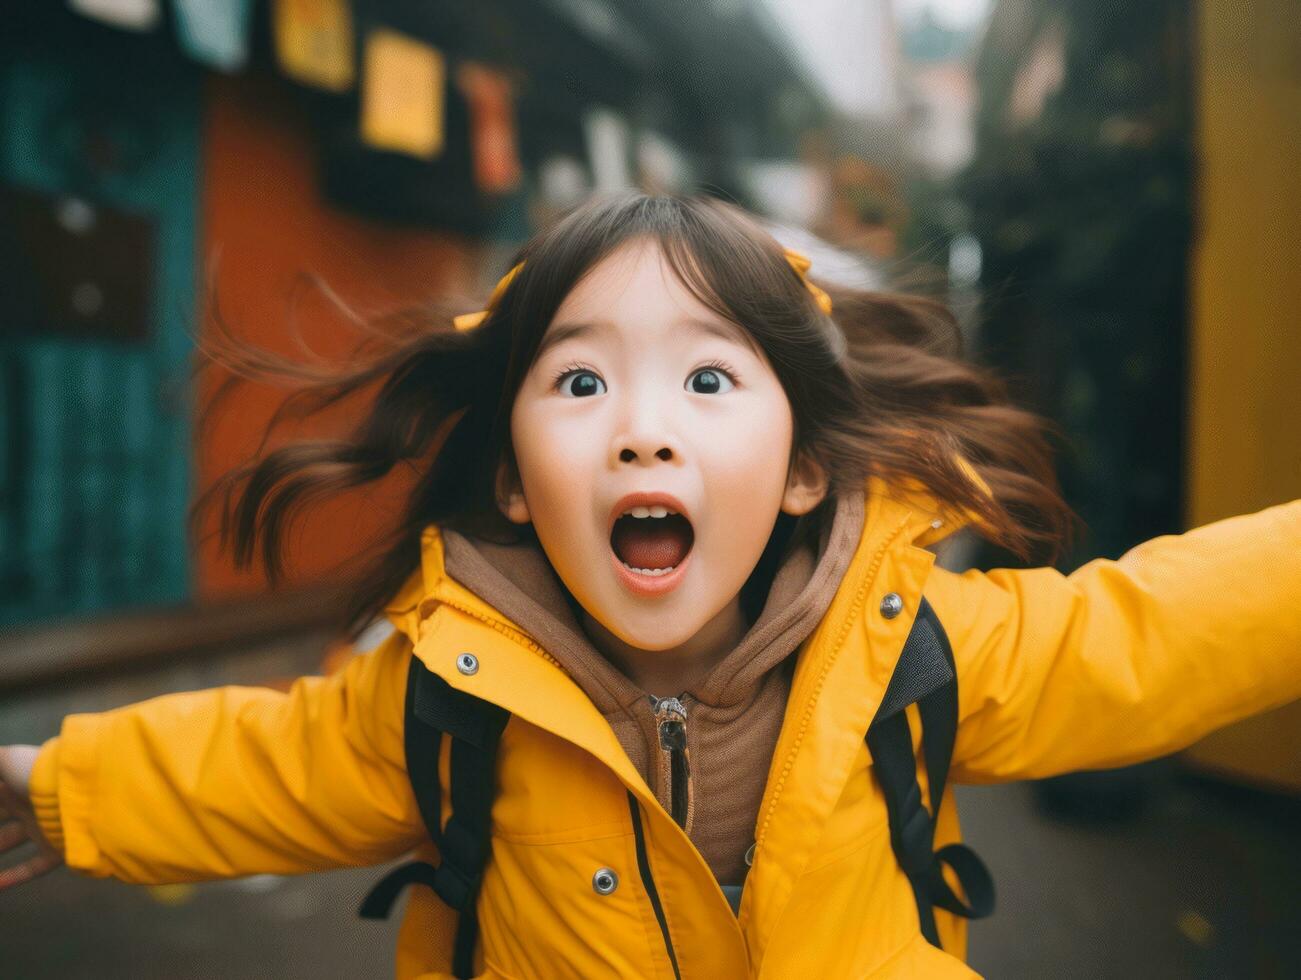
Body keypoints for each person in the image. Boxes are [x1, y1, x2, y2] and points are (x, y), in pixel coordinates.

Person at [1, 192, 1298, 979]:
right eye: (578, 381)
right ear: (512, 479)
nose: (640, 428)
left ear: (800, 471)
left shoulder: (927, 658)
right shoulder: (439, 699)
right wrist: (53, 787)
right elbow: (259, 762)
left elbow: (1160, 627)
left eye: (710, 378)